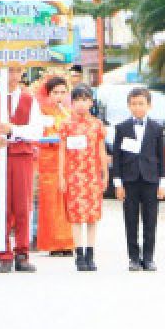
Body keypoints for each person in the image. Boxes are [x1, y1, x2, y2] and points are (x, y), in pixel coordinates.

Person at [0, 64, 45, 273]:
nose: (12, 75)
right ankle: (3, 253)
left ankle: (22, 253)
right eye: (8, 71)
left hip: (21, 155)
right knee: (0, 204)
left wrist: (14, 130)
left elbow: (36, 130)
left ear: (22, 73)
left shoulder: (30, 100)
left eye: (16, 71)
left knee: (23, 205)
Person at [112, 87, 165, 271]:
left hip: (151, 179)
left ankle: (149, 257)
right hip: (130, 180)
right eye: (134, 104)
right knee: (130, 220)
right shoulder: (122, 128)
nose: (137, 107)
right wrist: (118, 183)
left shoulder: (157, 128)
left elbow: (161, 156)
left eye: (141, 103)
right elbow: (117, 157)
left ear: (149, 105)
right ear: (129, 106)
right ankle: (134, 258)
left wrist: (163, 182)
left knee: (150, 220)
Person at [61, 85, 108, 271]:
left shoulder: (97, 124)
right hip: (73, 174)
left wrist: (105, 174)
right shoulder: (66, 124)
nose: (81, 104)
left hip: (92, 174)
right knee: (76, 216)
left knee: (91, 217)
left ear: (91, 102)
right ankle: (78, 254)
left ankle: (90, 253)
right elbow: (62, 152)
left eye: (85, 100)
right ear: (72, 103)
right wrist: (61, 176)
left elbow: (101, 150)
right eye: (77, 100)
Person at [35, 75, 74, 256]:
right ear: (48, 94)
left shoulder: (69, 112)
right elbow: (42, 137)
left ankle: (68, 242)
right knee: (51, 202)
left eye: (62, 92)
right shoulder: (41, 112)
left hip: (67, 161)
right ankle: (53, 243)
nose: (59, 96)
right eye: (55, 93)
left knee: (67, 201)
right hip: (49, 162)